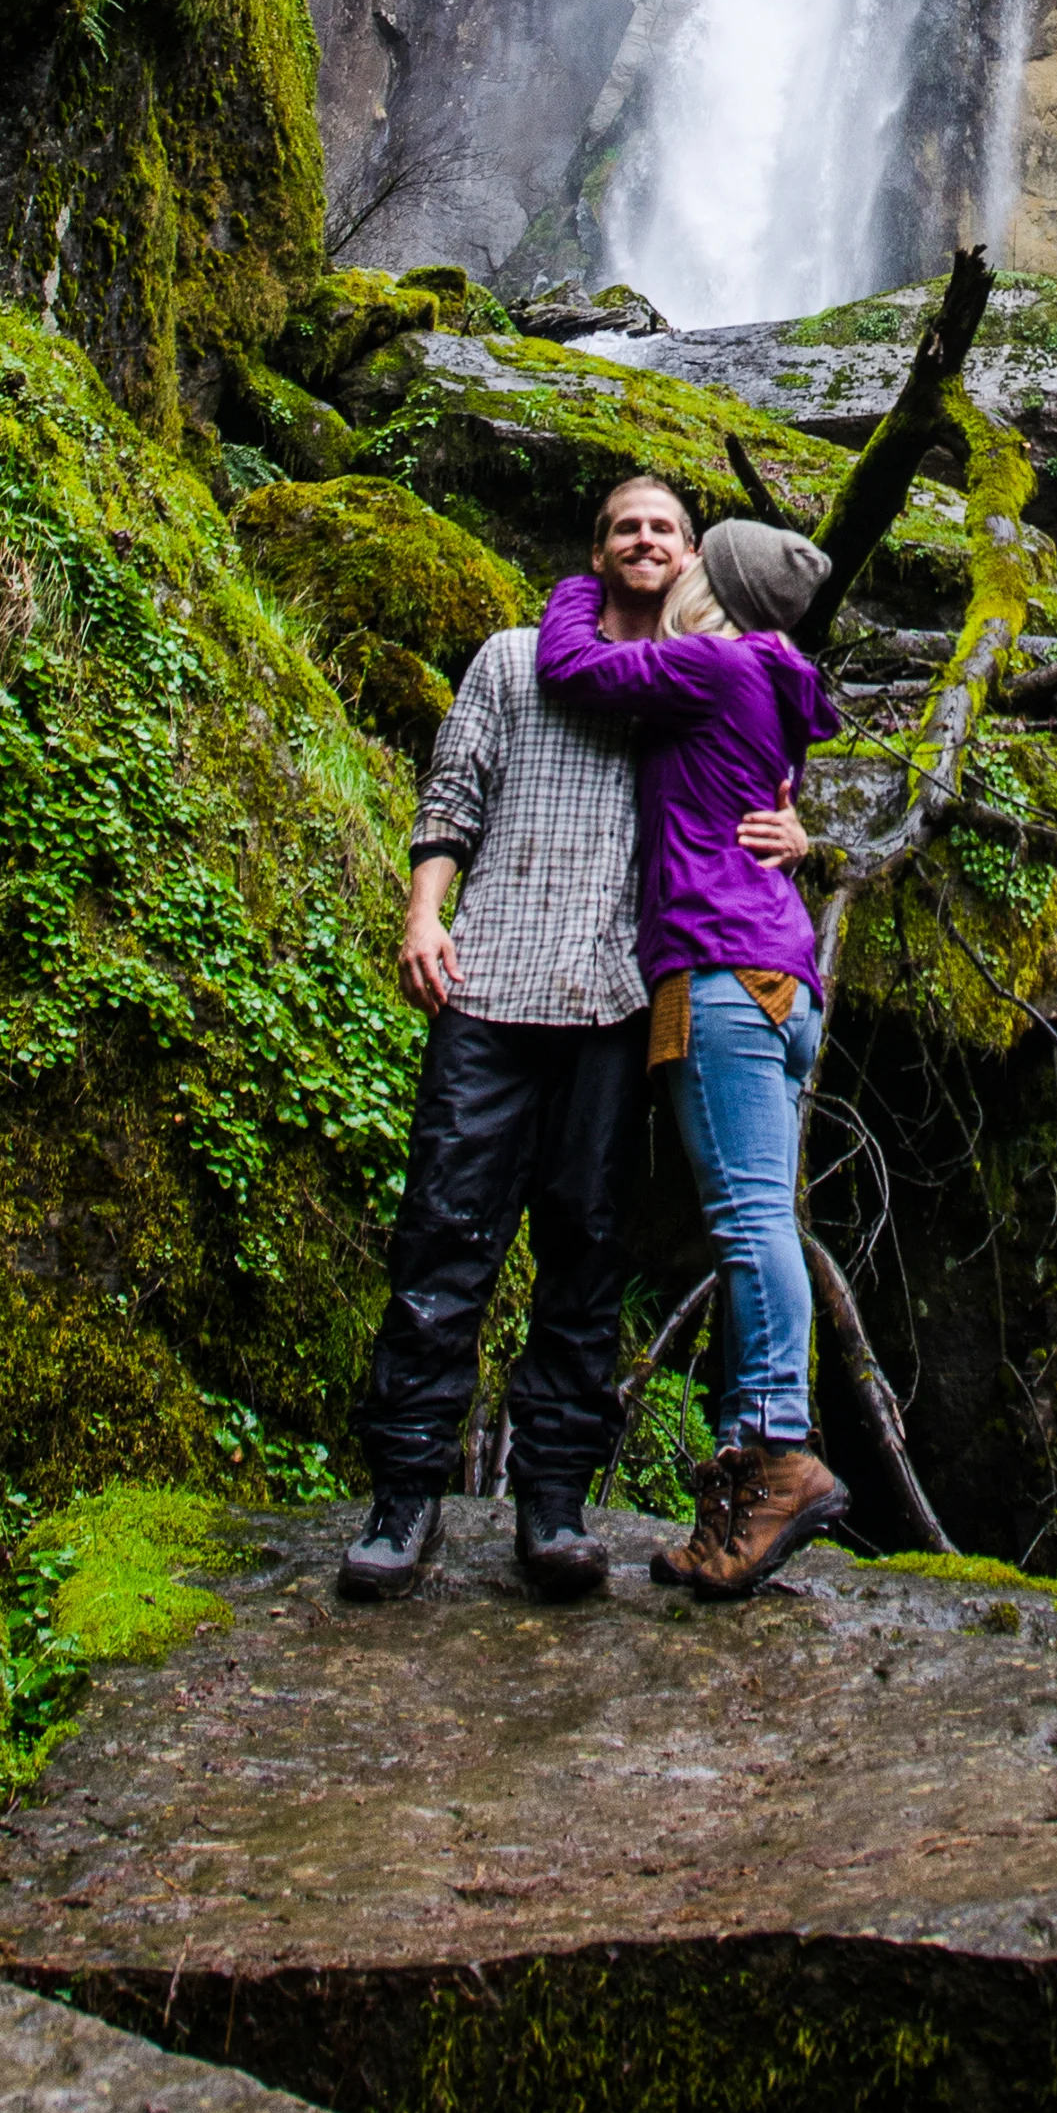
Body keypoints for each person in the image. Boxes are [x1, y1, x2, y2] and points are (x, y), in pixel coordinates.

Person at [339, 476, 806, 1606]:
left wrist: (799, 827)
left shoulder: (693, 683)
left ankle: (552, 1503)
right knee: (441, 1243)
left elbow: (756, 789)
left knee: (587, 1258)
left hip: (612, 1006)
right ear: (595, 551)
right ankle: (403, 1502)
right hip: (489, 984)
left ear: (692, 558)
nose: (644, 540)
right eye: (622, 526)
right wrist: (421, 913)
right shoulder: (513, 658)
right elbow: (451, 792)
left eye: (664, 528)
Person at [534, 516, 847, 1603]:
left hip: (719, 967)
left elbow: (570, 665)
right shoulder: (773, 676)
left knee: (749, 1219)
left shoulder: (708, 663)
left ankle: (776, 1450)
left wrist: (578, 587)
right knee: (753, 1221)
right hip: (776, 973)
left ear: (711, 588)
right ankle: (732, 1508)